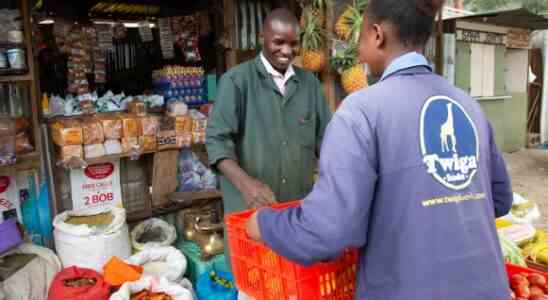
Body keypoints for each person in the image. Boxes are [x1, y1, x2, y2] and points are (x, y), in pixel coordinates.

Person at [246, 0, 514, 299]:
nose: (358, 52)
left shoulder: (361, 111)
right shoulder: (468, 105)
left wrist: (265, 224)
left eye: (359, 39)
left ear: (377, 35)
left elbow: (328, 232)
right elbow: (499, 200)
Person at [205, 5, 331, 267]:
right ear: (261, 38)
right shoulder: (236, 82)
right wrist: (246, 184)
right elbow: (217, 141)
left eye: (294, 44)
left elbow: (327, 142)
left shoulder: (310, 85)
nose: (287, 51)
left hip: (296, 217)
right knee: (256, 282)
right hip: (250, 220)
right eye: (278, 42)